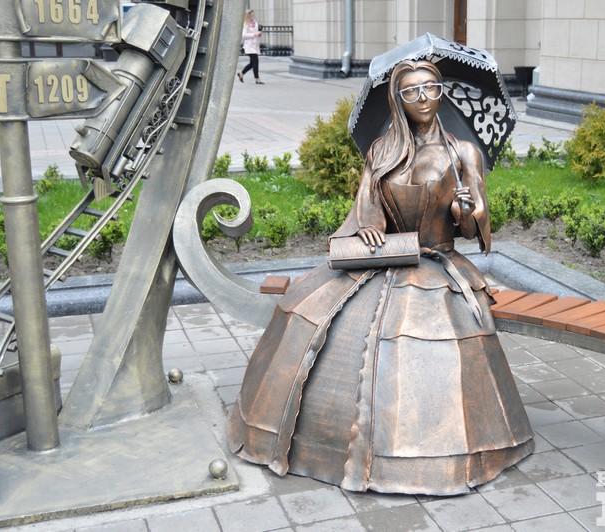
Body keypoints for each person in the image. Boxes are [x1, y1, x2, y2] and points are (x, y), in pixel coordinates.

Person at [227, 60, 533, 495]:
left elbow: (474, 228)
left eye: (431, 87)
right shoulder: (382, 151)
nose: (423, 98)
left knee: (427, 337)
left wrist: (467, 209)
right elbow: (368, 205)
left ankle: (438, 455)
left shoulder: (464, 153)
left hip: (436, 261)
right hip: (386, 254)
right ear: (397, 100)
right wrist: (368, 225)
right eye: (411, 92)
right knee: (313, 311)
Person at [238, 9, 264, 85]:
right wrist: (254, 34)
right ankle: (257, 79)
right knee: (255, 62)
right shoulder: (246, 24)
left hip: (255, 45)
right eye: (251, 14)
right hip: (249, 46)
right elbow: (243, 35)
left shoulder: (255, 22)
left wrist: (258, 33)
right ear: (248, 15)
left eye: (253, 14)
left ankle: (241, 73)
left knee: (252, 63)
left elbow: (255, 32)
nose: (253, 16)